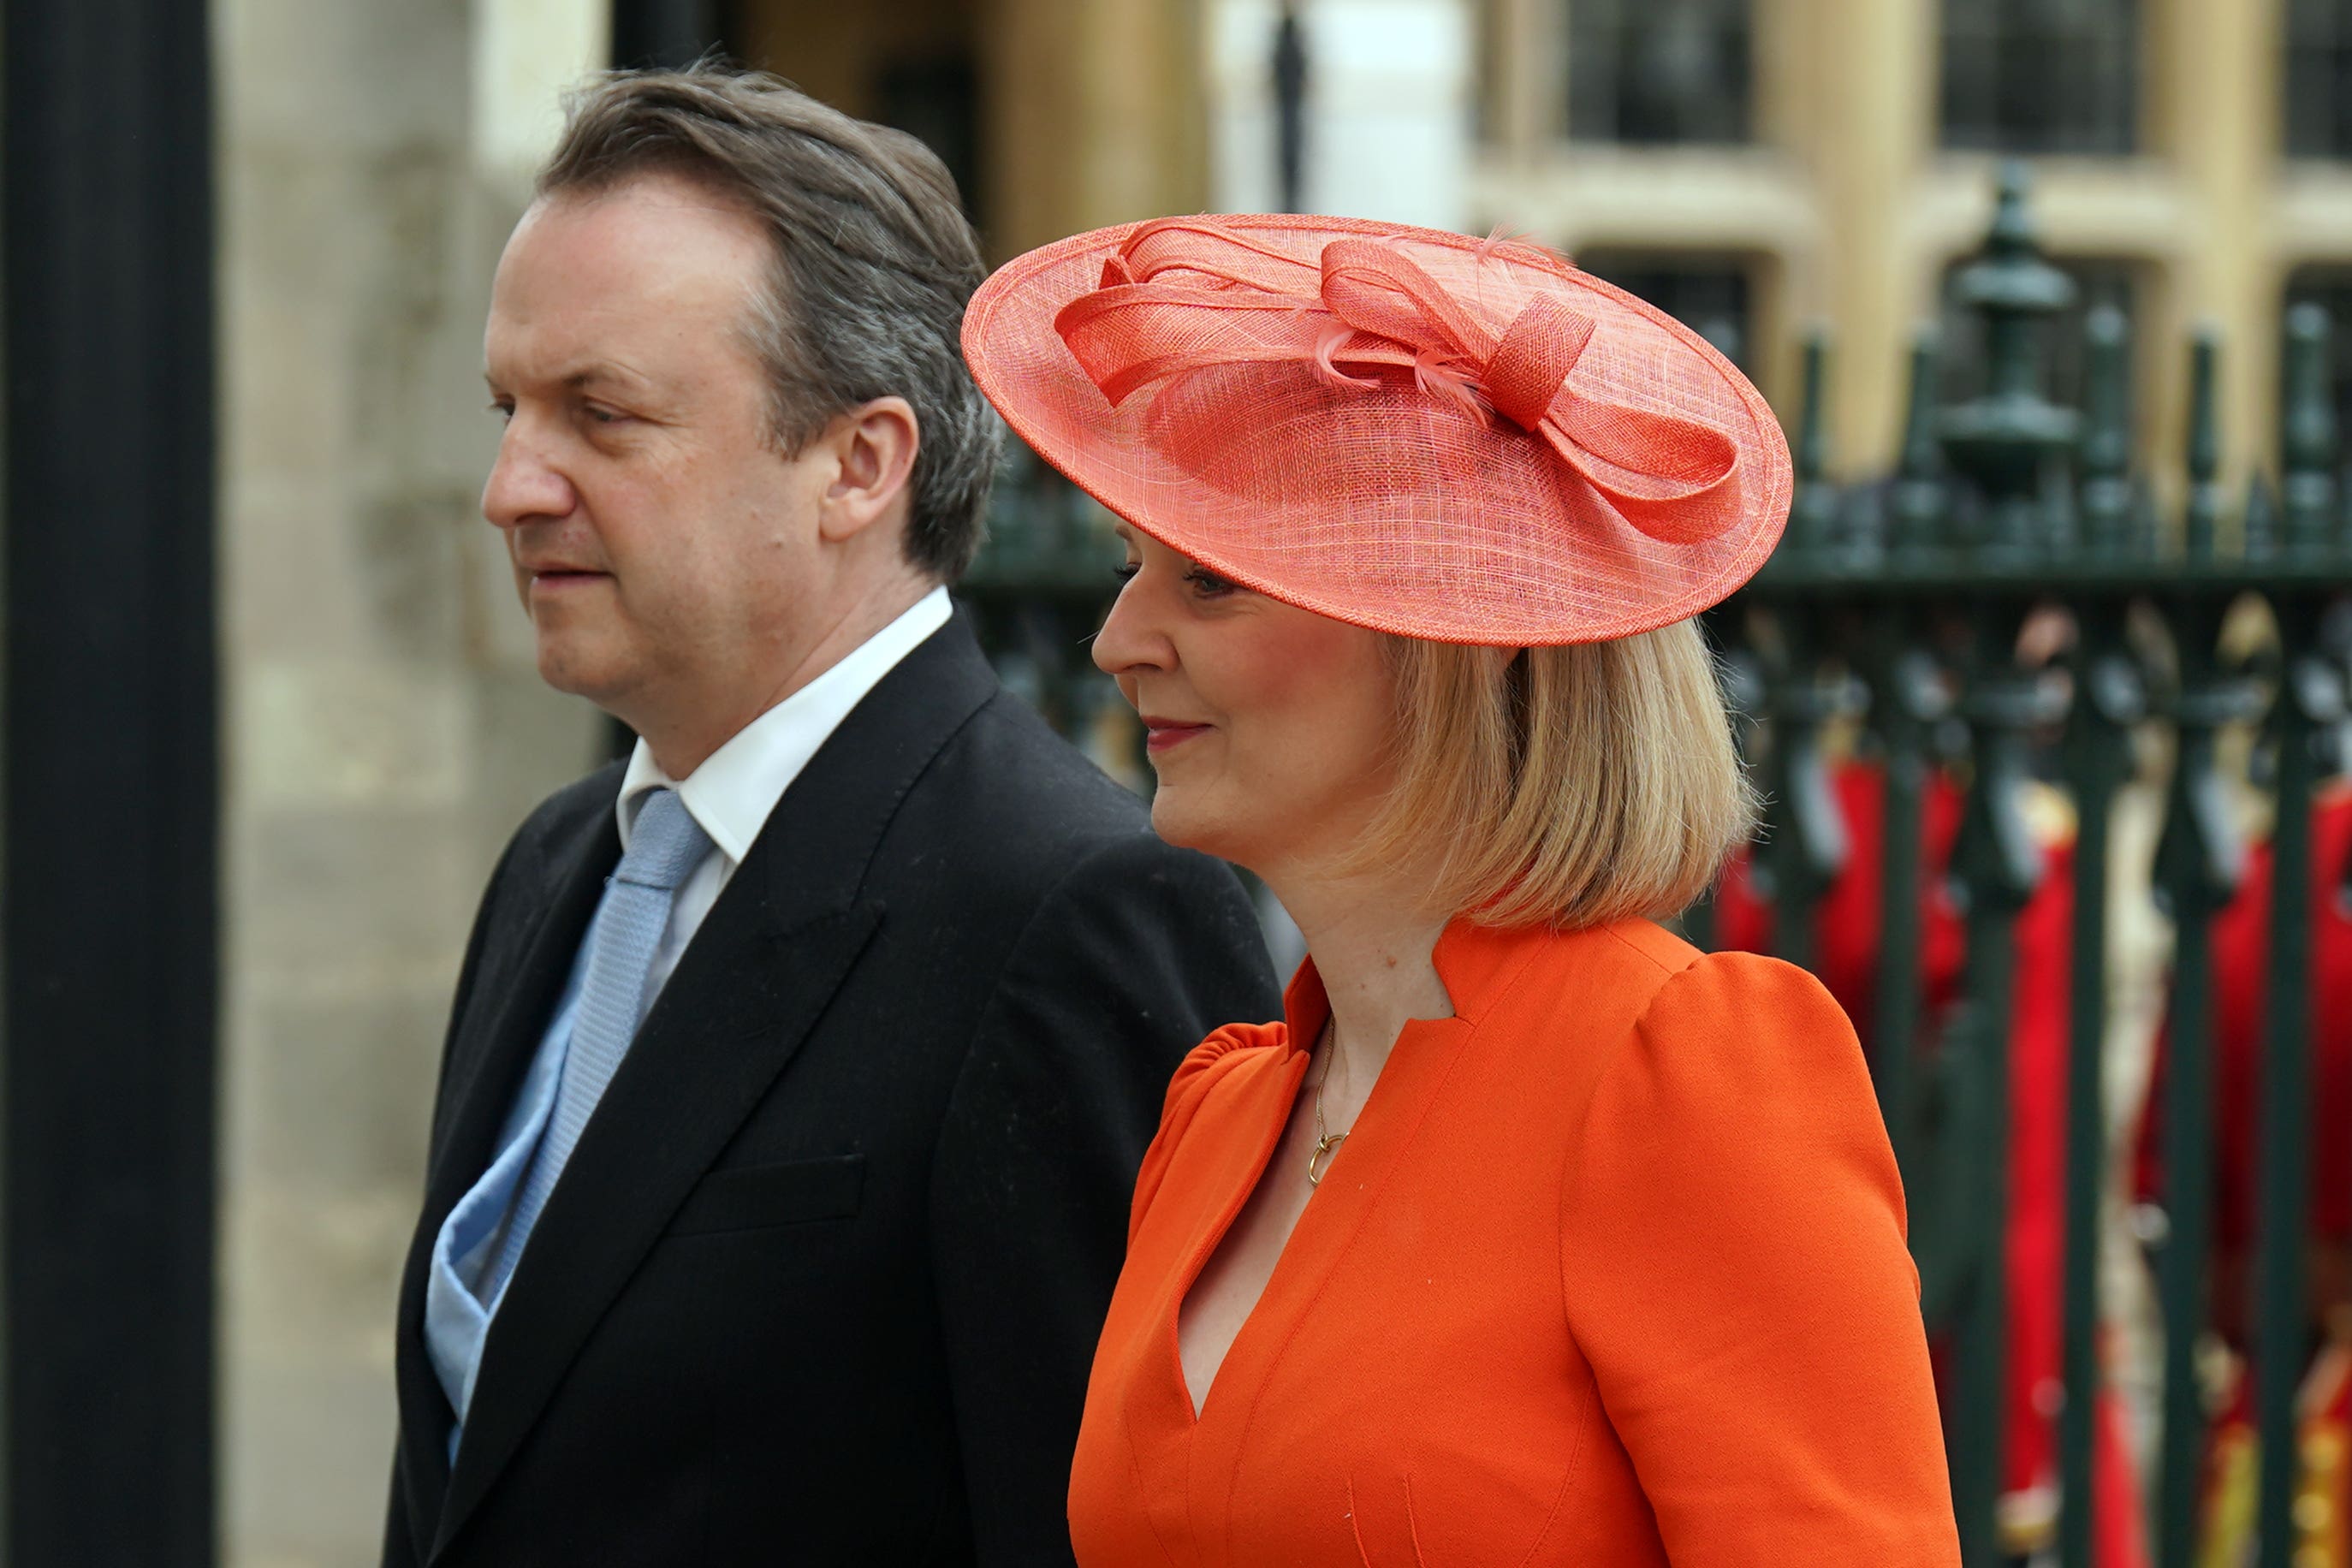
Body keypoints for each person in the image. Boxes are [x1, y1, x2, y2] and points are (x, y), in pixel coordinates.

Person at [962, 214, 1962, 1563]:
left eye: (1210, 581)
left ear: (1451, 636)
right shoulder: (1219, 1113)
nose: (1117, 641)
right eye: (1129, 571)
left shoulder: (1679, 1074)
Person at [382, 70, 1280, 1567]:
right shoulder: (560, 870)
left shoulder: (1075, 911)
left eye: (602, 415)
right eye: (510, 410)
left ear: (859, 465)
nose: (510, 488)